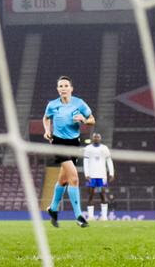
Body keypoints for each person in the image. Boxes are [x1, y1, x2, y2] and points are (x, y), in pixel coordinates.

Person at [43, 76, 94, 228]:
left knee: (63, 179)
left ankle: (52, 209)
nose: (63, 88)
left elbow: (92, 119)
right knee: (74, 178)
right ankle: (78, 215)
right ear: (58, 89)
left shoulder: (79, 103)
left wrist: (84, 120)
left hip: (74, 143)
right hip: (58, 143)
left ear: (71, 88)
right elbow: (46, 118)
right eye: (60, 86)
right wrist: (47, 130)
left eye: (66, 85)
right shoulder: (52, 105)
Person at [83, 133, 115, 221]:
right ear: (92, 138)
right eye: (95, 137)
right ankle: (90, 216)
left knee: (103, 194)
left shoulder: (104, 148)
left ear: (100, 138)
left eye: (98, 137)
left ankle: (104, 216)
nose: (96, 138)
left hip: (102, 176)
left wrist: (111, 173)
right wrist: (86, 174)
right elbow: (85, 161)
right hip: (91, 176)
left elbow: (109, 161)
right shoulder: (88, 148)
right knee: (90, 195)